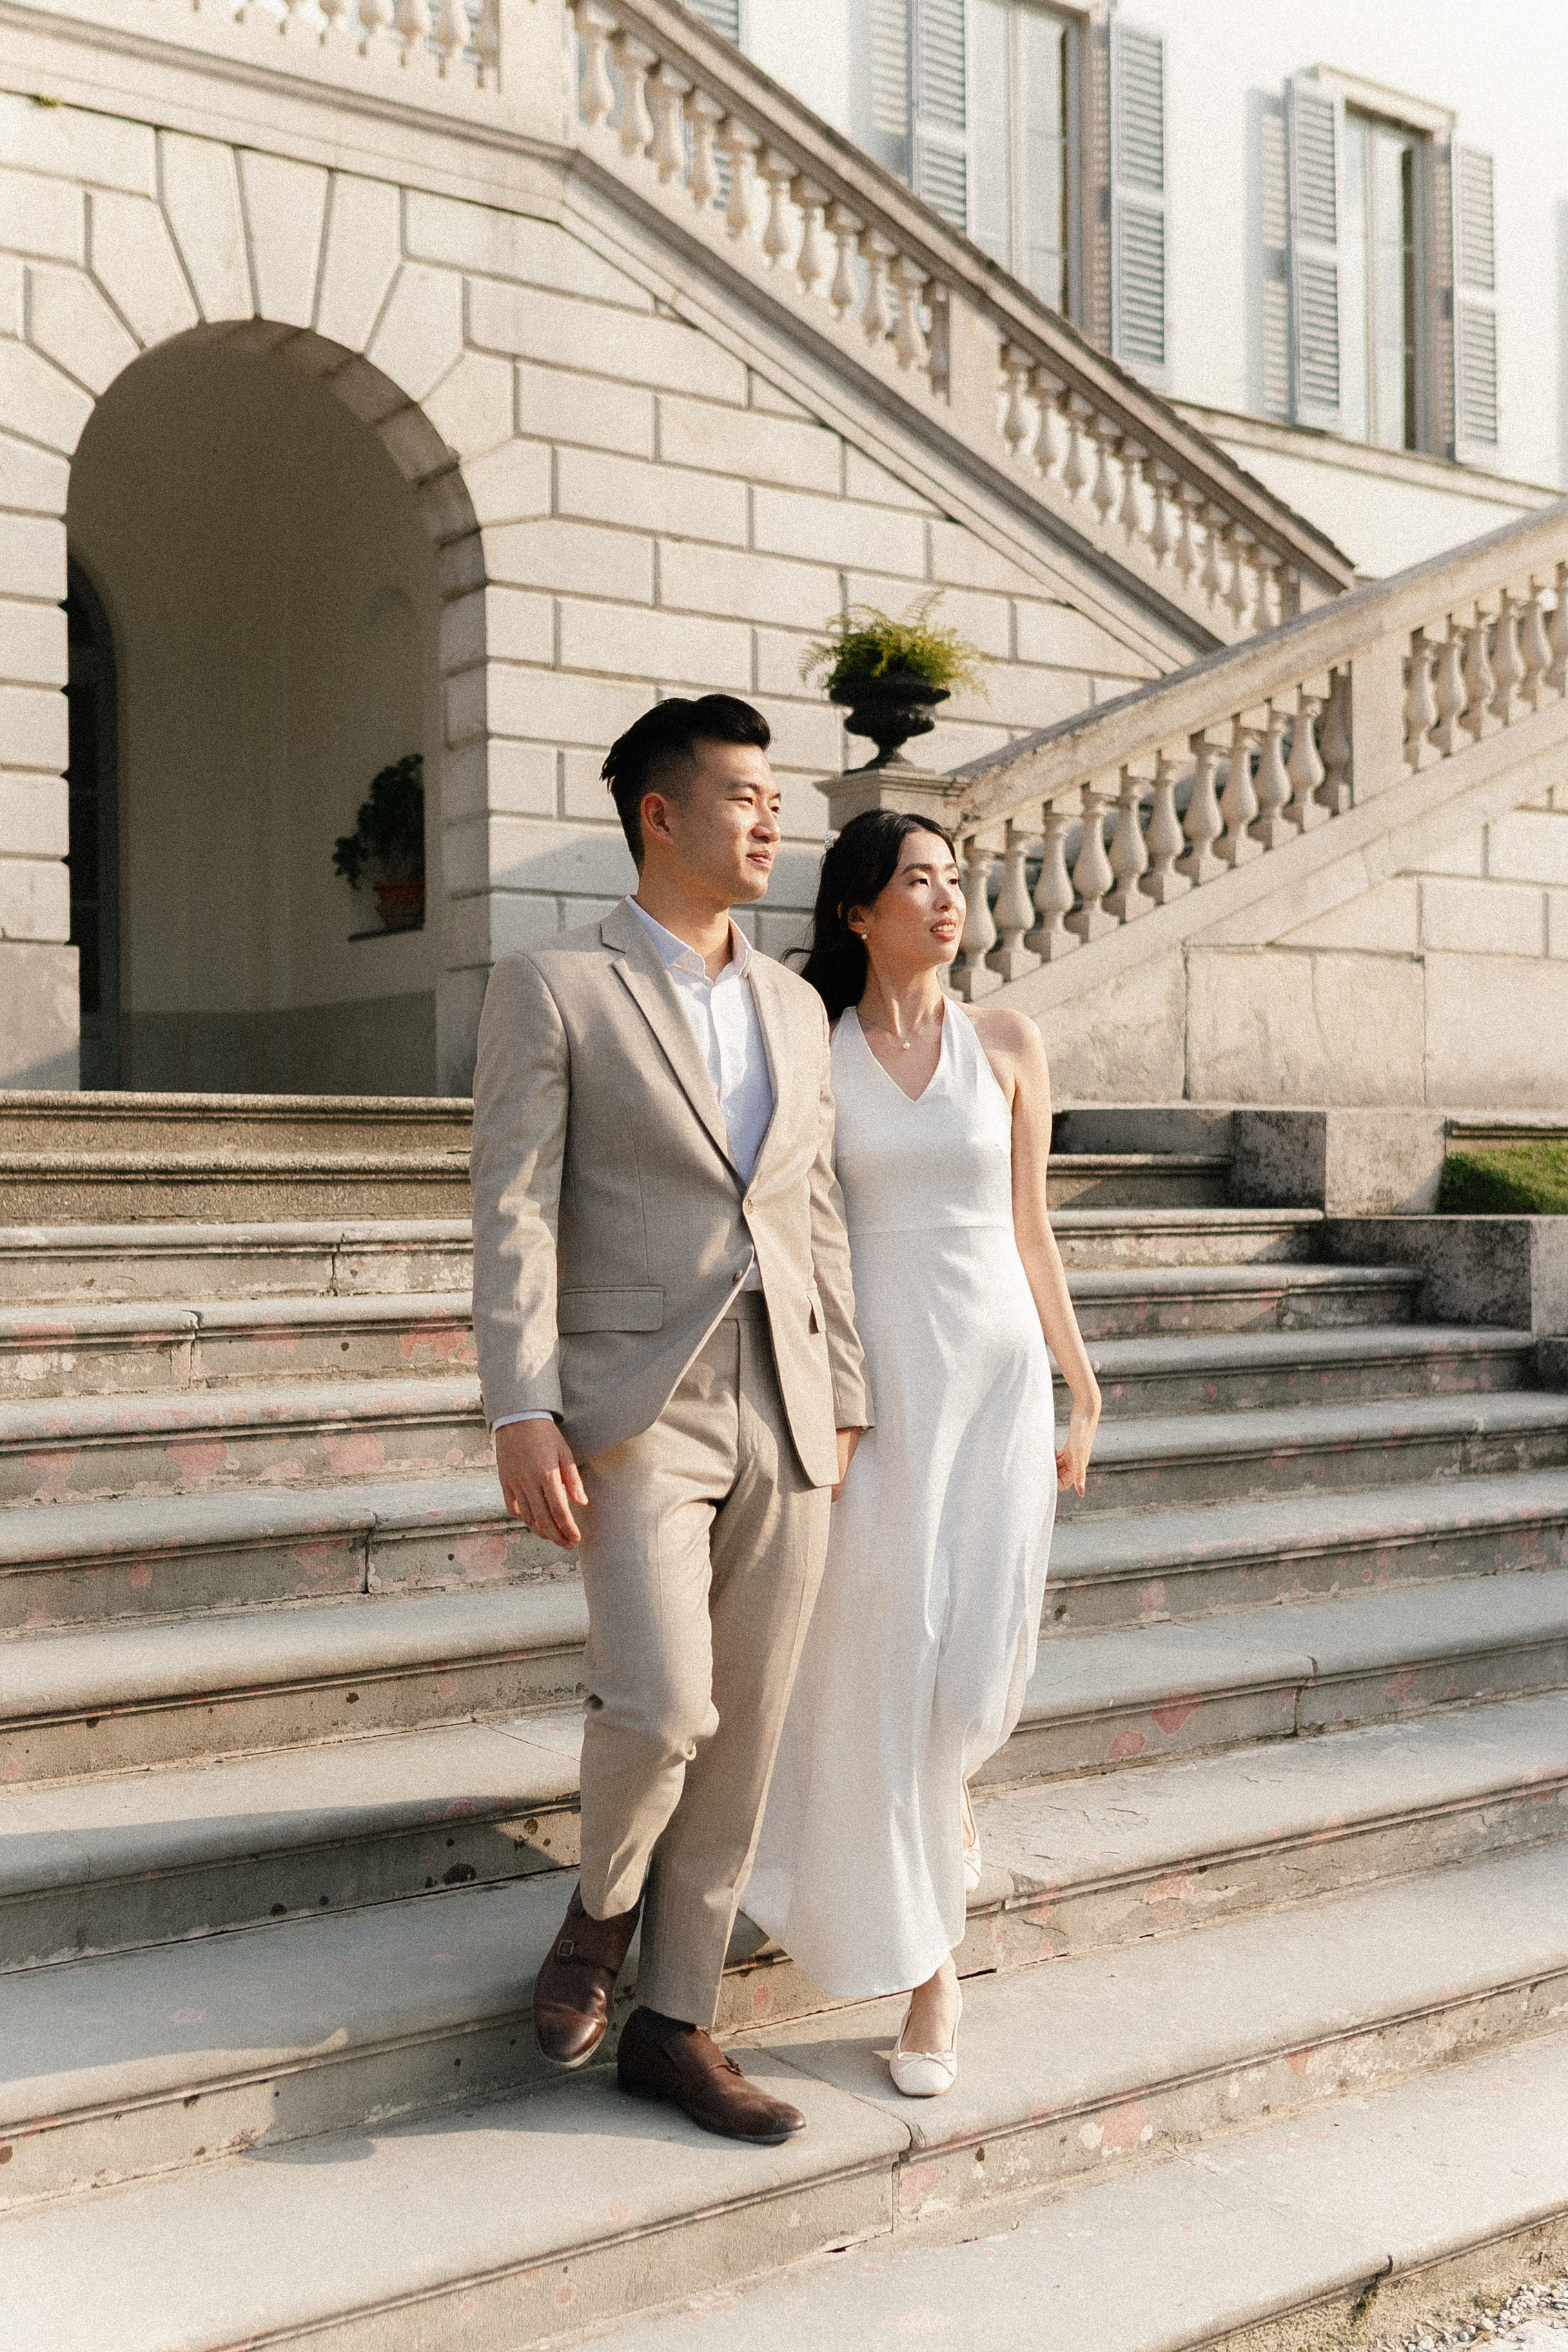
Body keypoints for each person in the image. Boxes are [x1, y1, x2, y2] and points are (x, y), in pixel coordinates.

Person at [469, 695, 871, 2146]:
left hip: (789, 1397)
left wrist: (846, 1396)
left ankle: (676, 2019)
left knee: (749, 1723)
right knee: (660, 1701)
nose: (773, 820)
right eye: (747, 796)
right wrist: (521, 1402)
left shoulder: (787, 1007)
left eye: (777, 800)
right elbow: (512, 1208)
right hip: (637, 1405)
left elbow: (810, 1206)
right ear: (661, 813)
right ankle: (597, 1909)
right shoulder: (553, 984)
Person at [744, 810, 1101, 2096]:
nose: (947, 900)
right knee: (887, 1646)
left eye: (956, 879)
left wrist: (1082, 1382)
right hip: (880, 1390)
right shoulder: (817, 1051)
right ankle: (931, 1973)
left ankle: (940, 1835)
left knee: (969, 1665)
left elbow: (1033, 1231)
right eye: (917, 881)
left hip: (1000, 1378)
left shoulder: (1007, 1043)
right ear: (857, 909)